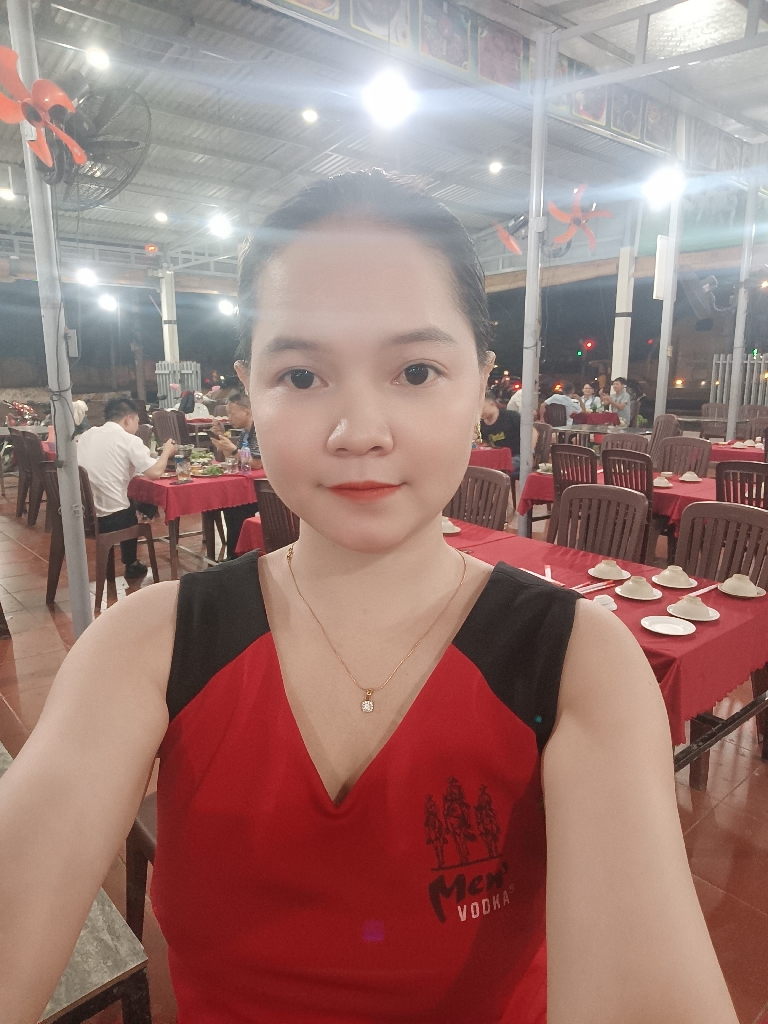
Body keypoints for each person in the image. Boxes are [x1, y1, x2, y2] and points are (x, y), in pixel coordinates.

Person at [0, 171, 737, 1024]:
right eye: (301, 375)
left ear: (482, 386)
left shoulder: (578, 664)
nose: (359, 433)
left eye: (415, 370)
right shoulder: (148, 645)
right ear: (249, 390)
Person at [76, 397, 177, 579]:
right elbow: (155, 472)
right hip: (111, 519)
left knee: (131, 502)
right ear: (127, 419)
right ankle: (131, 563)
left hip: (84, 515)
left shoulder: (87, 435)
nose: (138, 425)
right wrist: (166, 452)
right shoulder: (128, 440)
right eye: (137, 420)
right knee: (131, 507)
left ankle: (130, 561)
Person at [209, 392, 262, 558]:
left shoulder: (259, 429)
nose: (228, 417)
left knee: (235, 506)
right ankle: (233, 555)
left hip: (263, 487)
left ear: (246, 411)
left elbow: (257, 463)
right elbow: (236, 458)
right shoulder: (245, 432)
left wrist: (232, 450)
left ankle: (238, 556)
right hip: (247, 484)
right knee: (230, 502)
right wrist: (220, 440)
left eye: (231, 413)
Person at [480, 391, 520, 476]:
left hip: (516, 455)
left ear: (492, 404)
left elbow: (533, 432)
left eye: (482, 409)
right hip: (497, 457)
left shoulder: (511, 416)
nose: (480, 412)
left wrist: (531, 453)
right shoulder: (481, 424)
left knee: (493, 471)